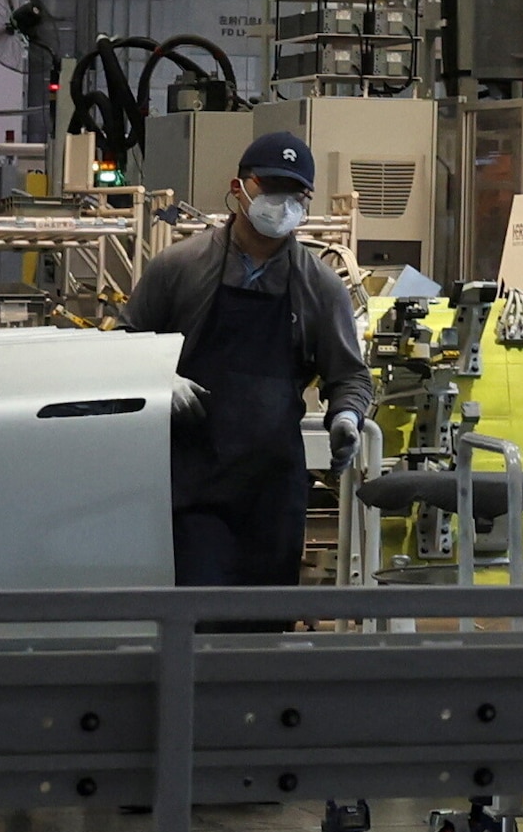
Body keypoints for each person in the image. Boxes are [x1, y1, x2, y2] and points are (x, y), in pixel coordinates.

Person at [119, 129, 374, 585]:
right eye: (269, 187)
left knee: (262, 629)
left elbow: (350, 376)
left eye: (295, 193)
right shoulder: (180, 267)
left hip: (272, 491)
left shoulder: (320, 285)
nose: (281, 202)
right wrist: (158, 379)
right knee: (198, 619)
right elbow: (124, 341)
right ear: (240, 188)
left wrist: (347, 418)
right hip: (190, 483)